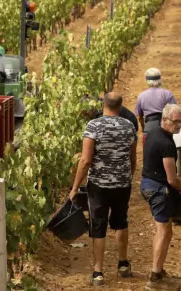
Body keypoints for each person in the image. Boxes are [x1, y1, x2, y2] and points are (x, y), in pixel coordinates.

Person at [70, 93, 137, 286]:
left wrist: (75, 187)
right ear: (120, 106)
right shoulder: (129, 126)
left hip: (99, 185)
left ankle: (98, 271)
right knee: (121, 221)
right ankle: (123, 264)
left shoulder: (94, 126)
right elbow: (133, 159)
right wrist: (126, 177)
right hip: (122, 184)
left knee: (98, 225)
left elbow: (85, 160)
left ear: (104, 105)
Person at [141, 104, 181, 290]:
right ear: (164, 120)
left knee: (164, 230)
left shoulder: (154, 132)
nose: (179, 125)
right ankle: (155, 278)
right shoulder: (166, 143)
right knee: (163, 232)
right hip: (157, 189)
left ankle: (159, 271)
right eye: (175, 121)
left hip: (149, 184)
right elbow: (172, 178)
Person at [135, 68, 177, 140]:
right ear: (160, 79)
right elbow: (175, 111)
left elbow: (140, 116)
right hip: (165, 129)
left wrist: (143, 128)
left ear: (147, 80)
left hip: (149, 129)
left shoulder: (141, 96)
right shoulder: (167, 94)